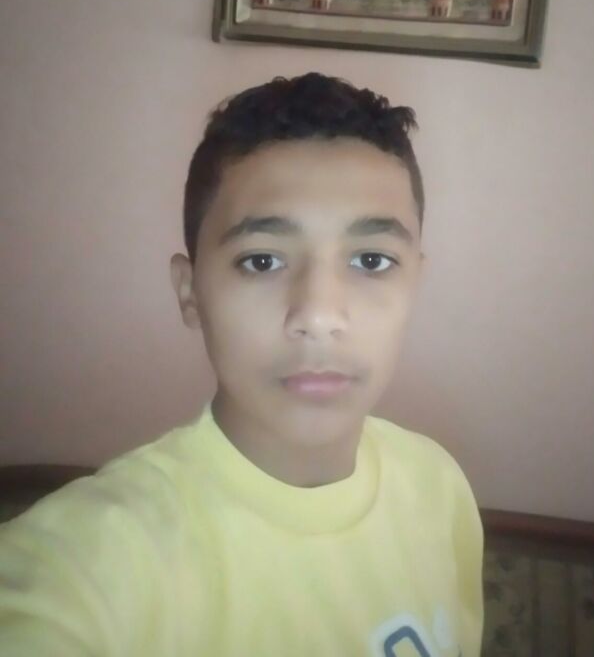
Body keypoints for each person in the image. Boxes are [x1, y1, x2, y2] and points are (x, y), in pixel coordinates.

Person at [0, 72, 484, 656]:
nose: (318, 315)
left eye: (372, 261)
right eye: (261, 261)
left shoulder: (438, 486)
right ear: (190, 293)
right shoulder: (96, 561)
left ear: (415, 285)